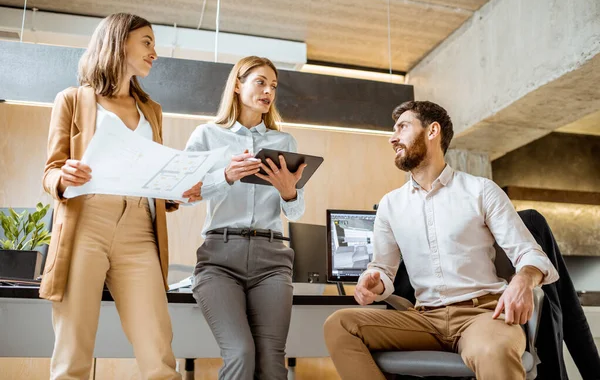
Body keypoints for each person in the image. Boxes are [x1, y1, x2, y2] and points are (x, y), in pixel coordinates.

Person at [323, 100, 559, 380]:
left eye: (403, 127)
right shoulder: (390, 204)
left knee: (493, 350)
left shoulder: (480, 191)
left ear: (432, 131)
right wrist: (374, 279)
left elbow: (530, 255)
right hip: (423, 319)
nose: (392, 137)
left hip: (482, 314)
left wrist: (523, 279)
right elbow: (384, 270)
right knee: (339, 324)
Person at [41, 13, 197, 379]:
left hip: (140, 229)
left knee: (158, 351)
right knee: (72, 353)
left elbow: (153, 175)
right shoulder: (73, 100)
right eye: (147, 42)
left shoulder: (152, 111)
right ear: (118, 42)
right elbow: (50, 171)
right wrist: (63, 177)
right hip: (86, 224)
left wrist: (175, 190)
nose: (154, 53)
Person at [184, 56, 306, 380]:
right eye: (260, 82)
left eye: (274, 86)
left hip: (272, 259)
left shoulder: (285, 142)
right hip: (219, 259)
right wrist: (224, 176)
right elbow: (182, 195)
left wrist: (288, 191)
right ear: (238, 85)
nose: (268, 91)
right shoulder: (207, 136)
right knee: (240, 353)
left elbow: (295, 211)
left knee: (271, 363)